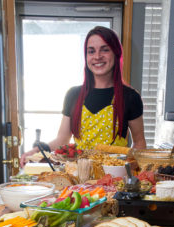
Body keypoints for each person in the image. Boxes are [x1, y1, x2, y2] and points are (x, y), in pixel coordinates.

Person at [20, 26, 146, 167]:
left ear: (116, 54)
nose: (97, 56)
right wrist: (36, 151)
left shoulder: (130, 97)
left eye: (105, 50)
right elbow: (62, 140)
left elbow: (139, 143)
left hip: (113, 180)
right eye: (91, 51)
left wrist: (130, 169)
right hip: (77, 178)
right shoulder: (73, 95)